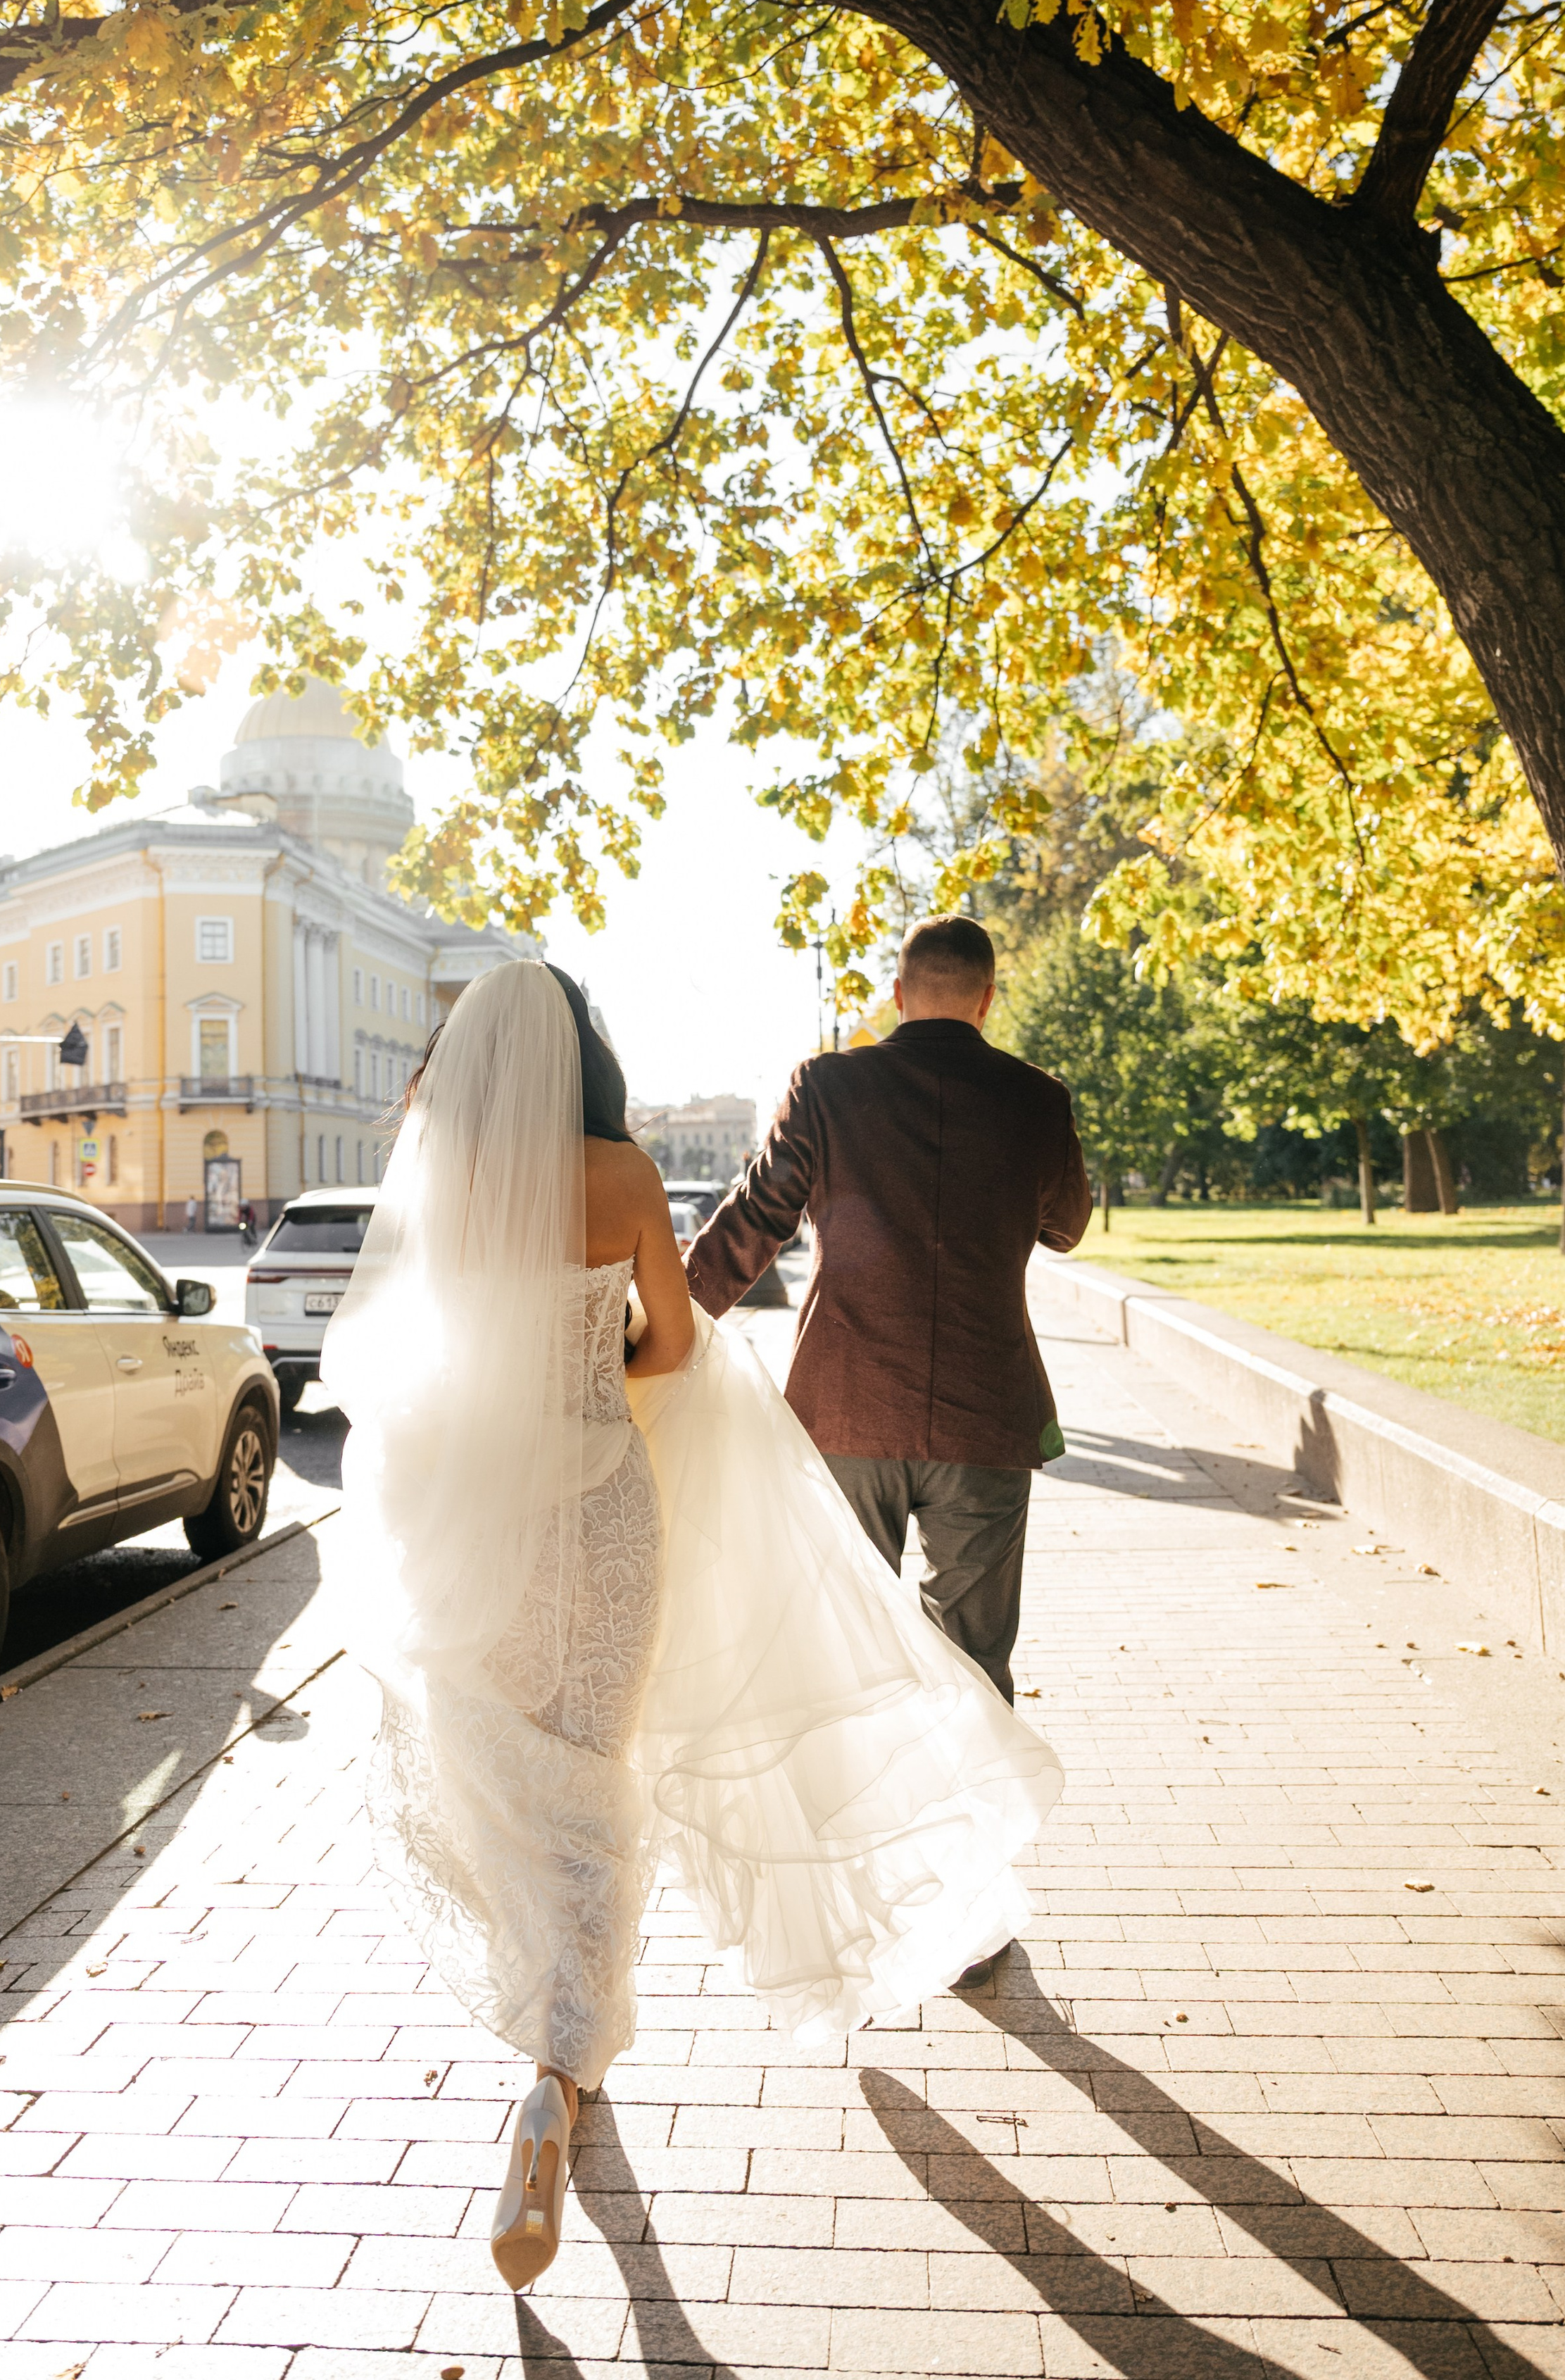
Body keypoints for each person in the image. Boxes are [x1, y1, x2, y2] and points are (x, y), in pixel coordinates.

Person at [324, 960, 1061, 2293]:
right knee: (599, 1780)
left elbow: (403, 1353)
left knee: (504, 1778)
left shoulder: (433, 1176)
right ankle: (564, 2068)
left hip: (463, 1523)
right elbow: (670, 1342)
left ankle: (549, 2063)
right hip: (604, 1510)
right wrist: (590, 1363)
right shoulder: (616, 1177)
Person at [684, 913, 1091, 1984]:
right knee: (975, 1658)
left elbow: (753, 1221)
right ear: (988, 999)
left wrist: (667, 1321)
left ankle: (861, 1891)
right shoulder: (1038, 1100)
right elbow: (1069, 1225)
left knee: (844, 1658)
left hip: (845, 1414)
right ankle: (977, 1911)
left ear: (899, 991)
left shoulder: (829, 1087)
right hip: (985, 1420)